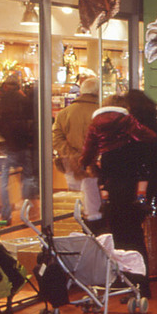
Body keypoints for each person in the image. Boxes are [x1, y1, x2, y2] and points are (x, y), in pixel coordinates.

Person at [79, 95, 157, 297]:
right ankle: (141, 285)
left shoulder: (95, 125)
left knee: (119, 236)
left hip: (111, 187)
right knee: (135, 236)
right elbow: (149, 137)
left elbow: (87, 153)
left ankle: (128, 284)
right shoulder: (128, 122)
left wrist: (84, 163)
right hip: (132, 187)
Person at [52, 77, 102, 229]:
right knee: (95, 205)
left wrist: (72, 154)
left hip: (72, 166)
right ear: (98, 91)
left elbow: (56, 139)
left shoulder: (64, 113)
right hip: (95, 166)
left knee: (77, 202)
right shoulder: (100, 112)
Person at [0, 72, 36, 225]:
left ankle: (6, 214)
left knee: (3, 181)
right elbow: (32, 121)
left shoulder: (3, 101)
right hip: (24, 145)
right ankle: (28, 211)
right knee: (28, 178)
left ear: (6, 86)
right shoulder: (25, 100)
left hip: (10, 146)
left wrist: (5, 137)